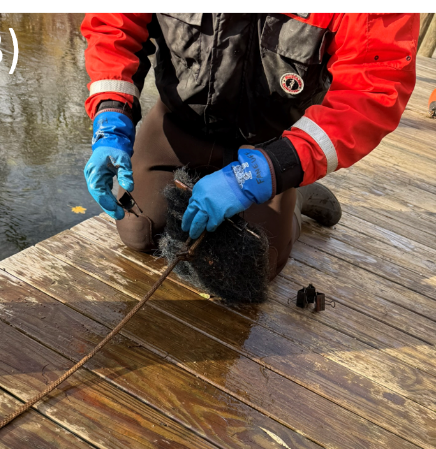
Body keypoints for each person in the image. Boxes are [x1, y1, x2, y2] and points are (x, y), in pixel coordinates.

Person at [81, 13, 419, 279]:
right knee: (138, 232)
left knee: (247, 263)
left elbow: (372, 91)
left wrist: (275, 168)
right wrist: (111, 120)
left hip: (272, 143)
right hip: (179, 124)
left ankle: (296, 193)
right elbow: (114, 27)